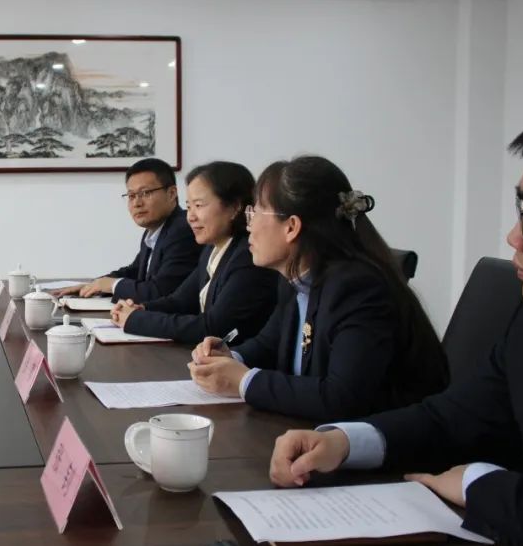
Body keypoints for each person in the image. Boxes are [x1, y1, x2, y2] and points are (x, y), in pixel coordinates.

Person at [268, 103, 523, 546]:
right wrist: (344, 442)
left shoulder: (352, 282)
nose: (515, 236)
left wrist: (479, 483)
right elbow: (452, 418)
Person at [189, 157, 448, 421]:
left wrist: (244, 381)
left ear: (291, 227)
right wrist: (230, 356)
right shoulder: (296, 279)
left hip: (393, 438)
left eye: (255, 213)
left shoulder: (357, 288)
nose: (249, 226)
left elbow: (341, 397)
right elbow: (269, 344)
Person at [110, 161, 279, 345]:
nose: (190, 217)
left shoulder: (248, 256)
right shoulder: (212, 248)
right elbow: (180, 301)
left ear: (234, 207)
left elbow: (212, 327)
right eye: (189, 207)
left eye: (199, 205)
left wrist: (136, 319)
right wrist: (140, 308)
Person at [52, 158, 200, 301]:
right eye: (131, 195)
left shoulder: (183, 230)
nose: (137, 203)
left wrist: (111, 285)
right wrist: (94, 285)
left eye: (145, 193)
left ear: (171, 193)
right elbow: (134, 272)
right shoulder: (155, 231)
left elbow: (159, 292)